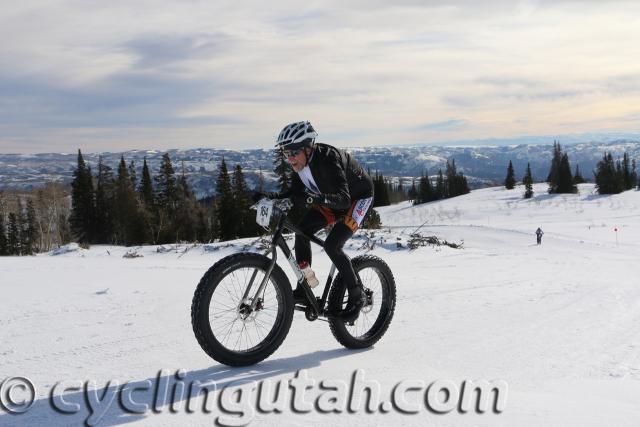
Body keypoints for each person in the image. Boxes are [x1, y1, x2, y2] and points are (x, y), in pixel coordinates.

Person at [255, 121, 374, 322]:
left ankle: (357, 296)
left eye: (293, 152)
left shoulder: (327, 160)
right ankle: (306, 285)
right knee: (302, 231)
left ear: (308, 148)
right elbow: (292, 193)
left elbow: (344, 199)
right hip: (330, 200)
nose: (289, 158)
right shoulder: (300, 165)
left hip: (358, 199)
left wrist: (313, 198)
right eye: (286, 153)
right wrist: (267, 196)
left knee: (332, 245)